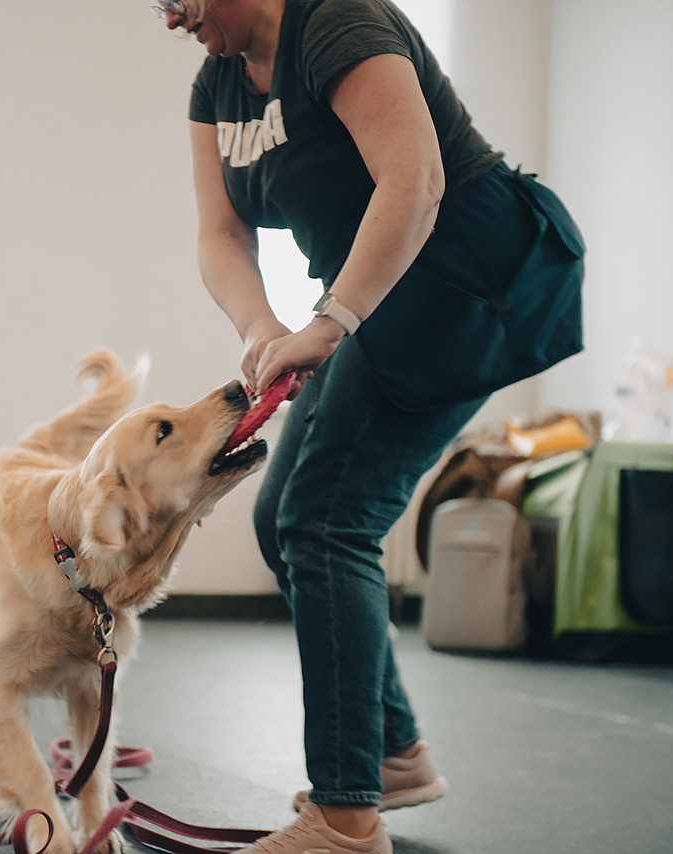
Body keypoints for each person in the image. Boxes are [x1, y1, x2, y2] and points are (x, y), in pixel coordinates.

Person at [159, 1, 584, 852]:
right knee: (283, 516)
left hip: (463, 273)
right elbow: (219, 232)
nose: (169, 17)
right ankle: (390, 751)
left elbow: (415, 180)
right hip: (372, 297)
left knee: (324, 522)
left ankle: (347, 816)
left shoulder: (336, 22)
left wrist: (331, 319)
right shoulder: (217, 84)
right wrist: (260, 328)